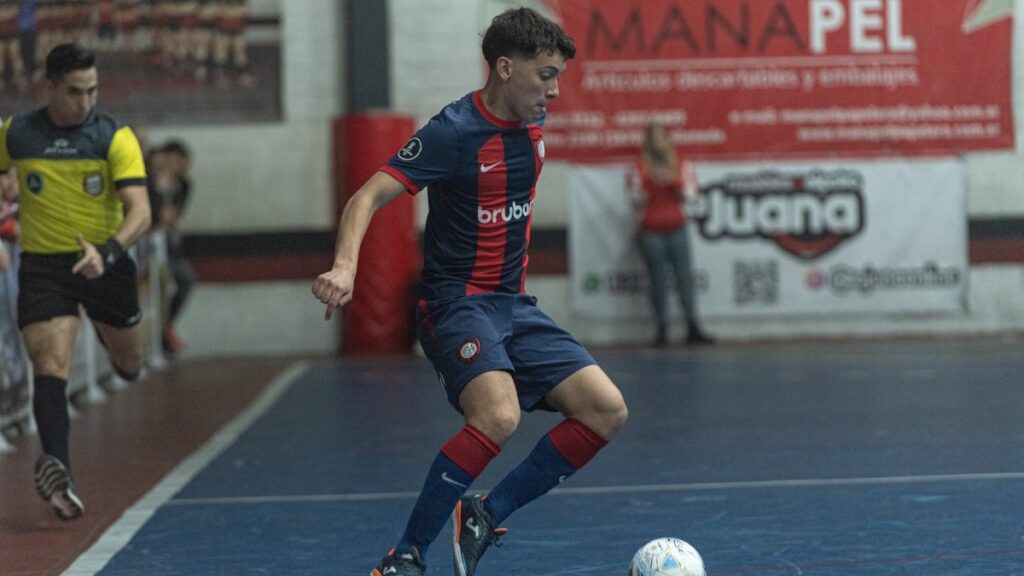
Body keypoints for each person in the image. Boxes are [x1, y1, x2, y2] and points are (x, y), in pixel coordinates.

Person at [312, 8, 628, 576]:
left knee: (605, 410)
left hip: (514, 306)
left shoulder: (532, 123)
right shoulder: (452, 132)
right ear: (505, 68)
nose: (554, 91)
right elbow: (365, 197)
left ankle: (486, 513)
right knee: (498, 416)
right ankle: (403, 557)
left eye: (558, 77)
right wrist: (345, 266)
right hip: (456, 306)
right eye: (545, 75)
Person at [0, 43, 151, 521]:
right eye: (74, 91)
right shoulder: (16, 134)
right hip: (46, 266)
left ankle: (114, 343)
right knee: (50, 362)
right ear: (48, 88)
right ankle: (58, 470)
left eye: (92, 90)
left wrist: (106, 253)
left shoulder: (113, 137)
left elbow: (141, 212)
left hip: (107, 262)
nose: (85, 101)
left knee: (130, 364)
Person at [629, 123, 714, 346]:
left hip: (676, 228)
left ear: (668, 140)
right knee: (657, 280)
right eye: (654, 138)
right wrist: (652, 183)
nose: (658, 143)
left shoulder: (681, 164)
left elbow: (692, 195)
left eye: (662, 138)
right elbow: (634, 198)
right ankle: (662, 328)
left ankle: (692, 325)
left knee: (684, 278)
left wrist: (673, 183)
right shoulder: (641, 167)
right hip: (651, 231)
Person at [147, 139, 195, 356]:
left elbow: (174, 214)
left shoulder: (182, 185)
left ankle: (165, 329)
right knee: (158, 288)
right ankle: (160, 334)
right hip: (150, 247)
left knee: (185, 279)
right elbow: (156, 214)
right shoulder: (149, 182)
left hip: (170, 247)